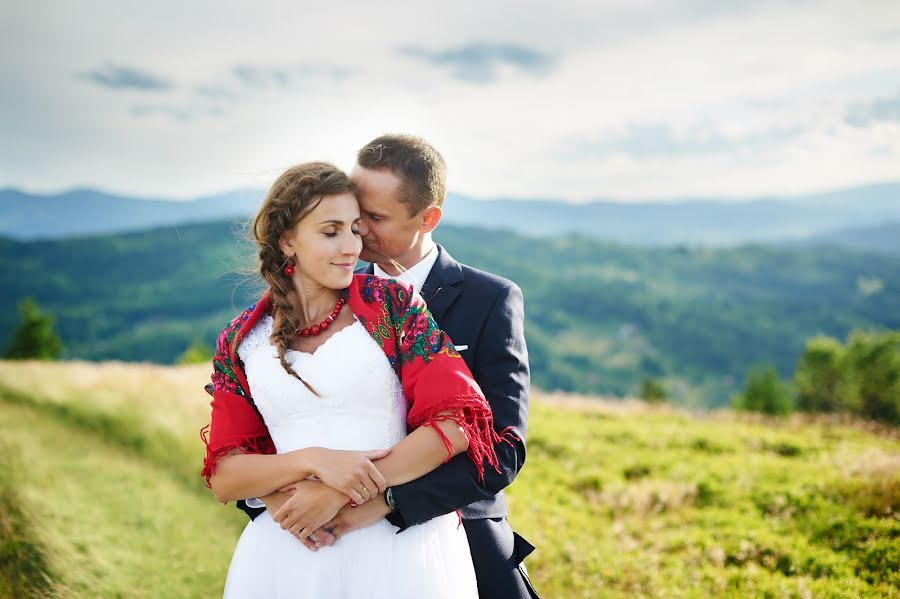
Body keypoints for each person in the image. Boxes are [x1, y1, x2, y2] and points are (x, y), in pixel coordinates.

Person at [243, 135, 538, 598]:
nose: (357, 232)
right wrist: (291, 503)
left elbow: (501, 450)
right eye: (352, 216)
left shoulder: (489, 300)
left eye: (374, 219)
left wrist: (379, 504)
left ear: (428, 218)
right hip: (316, 541)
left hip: (452, 534)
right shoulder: (319, 290)